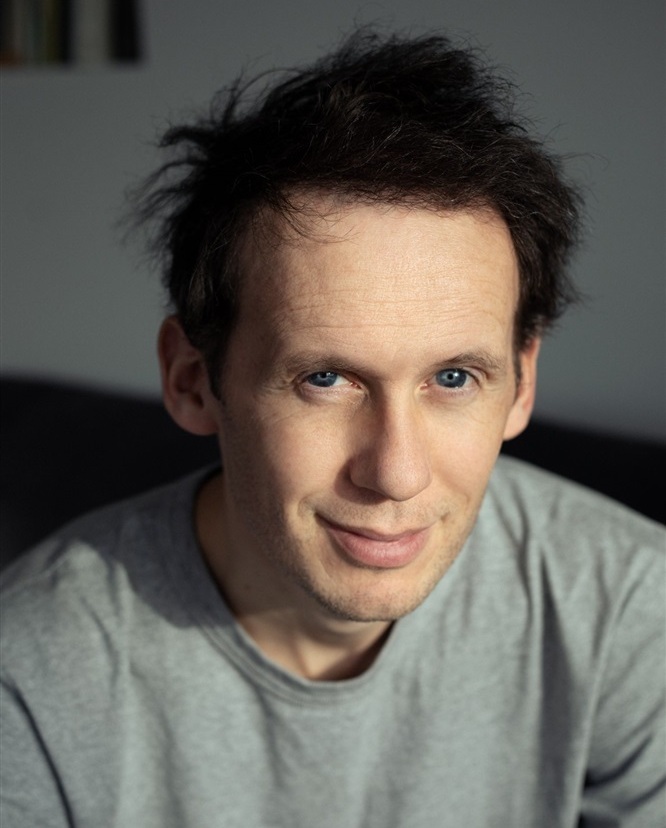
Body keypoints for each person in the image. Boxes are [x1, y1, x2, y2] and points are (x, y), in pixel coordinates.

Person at [1, 31, 664, 828]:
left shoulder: (628, 608)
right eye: (324, 379)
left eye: (454, 378)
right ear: (191, 380)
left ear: (522, 383)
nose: (396, 472)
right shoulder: (31, 676)